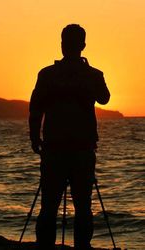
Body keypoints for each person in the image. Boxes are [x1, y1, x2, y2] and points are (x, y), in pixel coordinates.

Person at [29, 24, 110, 250]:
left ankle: (45, 245)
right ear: (83, 46)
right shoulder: (93, 74)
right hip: (81, 149)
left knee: (49, 204)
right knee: (82, 204)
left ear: (62, 44)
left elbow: (35, 109)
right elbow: (104, 98)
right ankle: (81, 246)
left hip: (55, 148)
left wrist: (34, 138)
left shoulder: (47, 74)